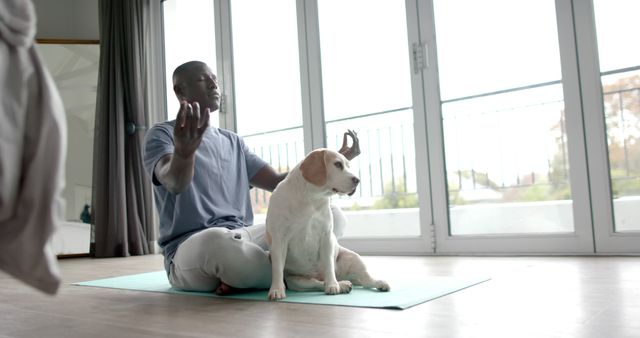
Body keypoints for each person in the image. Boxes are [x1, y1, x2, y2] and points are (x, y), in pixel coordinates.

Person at [143, 60, 360, 295]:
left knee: (333, 215)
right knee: (220, 243)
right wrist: (184, 154)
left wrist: (331, 168)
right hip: (193, 246)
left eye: (215, 79)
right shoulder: (161, 134)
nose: (214, 84)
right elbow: (173, 182)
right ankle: (295, 272)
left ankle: (258, 275)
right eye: (203, 79)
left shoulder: (233, 141)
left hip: (245, 236)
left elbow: (281, 183)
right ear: (180, 91)